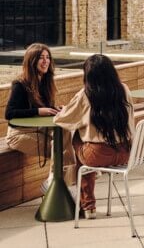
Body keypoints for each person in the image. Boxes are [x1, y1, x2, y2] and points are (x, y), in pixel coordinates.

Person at [54, 54, 134, 219]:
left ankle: (88, 205)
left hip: (98, 155)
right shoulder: (124, 89)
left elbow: (62, 119)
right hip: (126, 153)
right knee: (86, 149)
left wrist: (63, 110)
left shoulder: (86, 94)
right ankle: (85, 201)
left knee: (77, 137)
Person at [4, 43, 76, 192]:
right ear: (32, 61)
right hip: (19, 134)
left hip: (39, 130)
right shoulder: (20, 84)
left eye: (47, 57)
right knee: (62, 149)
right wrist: (38, 111)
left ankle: (55, 182)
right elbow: (9, 114)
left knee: (66, 133)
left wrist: (56, 109)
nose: (45, 61)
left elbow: (45, 108)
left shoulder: (45, 82)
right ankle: (61, 185)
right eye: (41, 58)